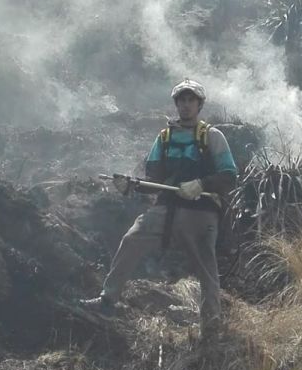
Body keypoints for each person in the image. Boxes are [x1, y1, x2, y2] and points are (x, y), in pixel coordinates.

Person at [80, 79, 237, 347]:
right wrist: (130, 186)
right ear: (176, 104)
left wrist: (202, 184)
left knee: (206, 270)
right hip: (166, 209)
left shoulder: (212, 136)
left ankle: (211, 331)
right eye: (182, 100)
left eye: (191, 100)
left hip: (201, 213)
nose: (186, 105)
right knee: (131, 239)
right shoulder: (164, 138)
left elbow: (229, 175)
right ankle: (107, 299)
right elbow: (152, 179)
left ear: (199, 105)